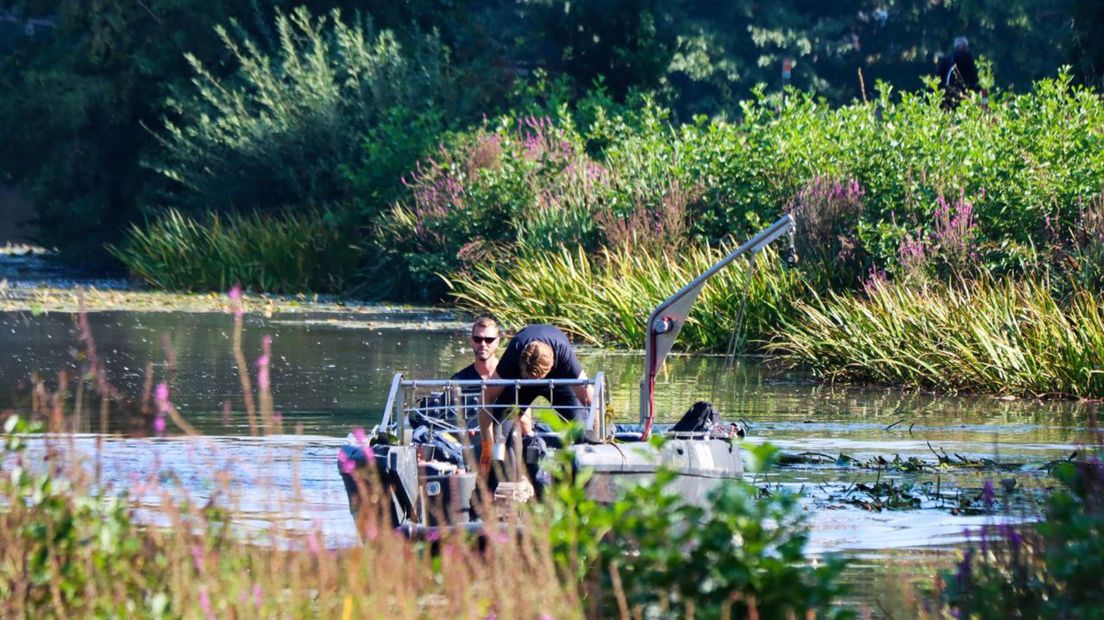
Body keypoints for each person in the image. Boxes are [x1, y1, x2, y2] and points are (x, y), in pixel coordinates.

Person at [451, 316, 534, 435]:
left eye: (489, 340)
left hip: (509, 439)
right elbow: (448, 421)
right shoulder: (458, 380)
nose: (483, 344)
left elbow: (526, 422)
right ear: (471, 341)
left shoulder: (514, 378)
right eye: (477, 339)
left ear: (498, 341)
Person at [936, 37, 979, 109]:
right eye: (961, 47)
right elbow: (939, 81)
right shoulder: (948, 63)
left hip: (967, 99)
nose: (963, 50)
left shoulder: (970, 63)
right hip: (949, 99)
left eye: (964, 47)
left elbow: (976, 83)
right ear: (956, 48)